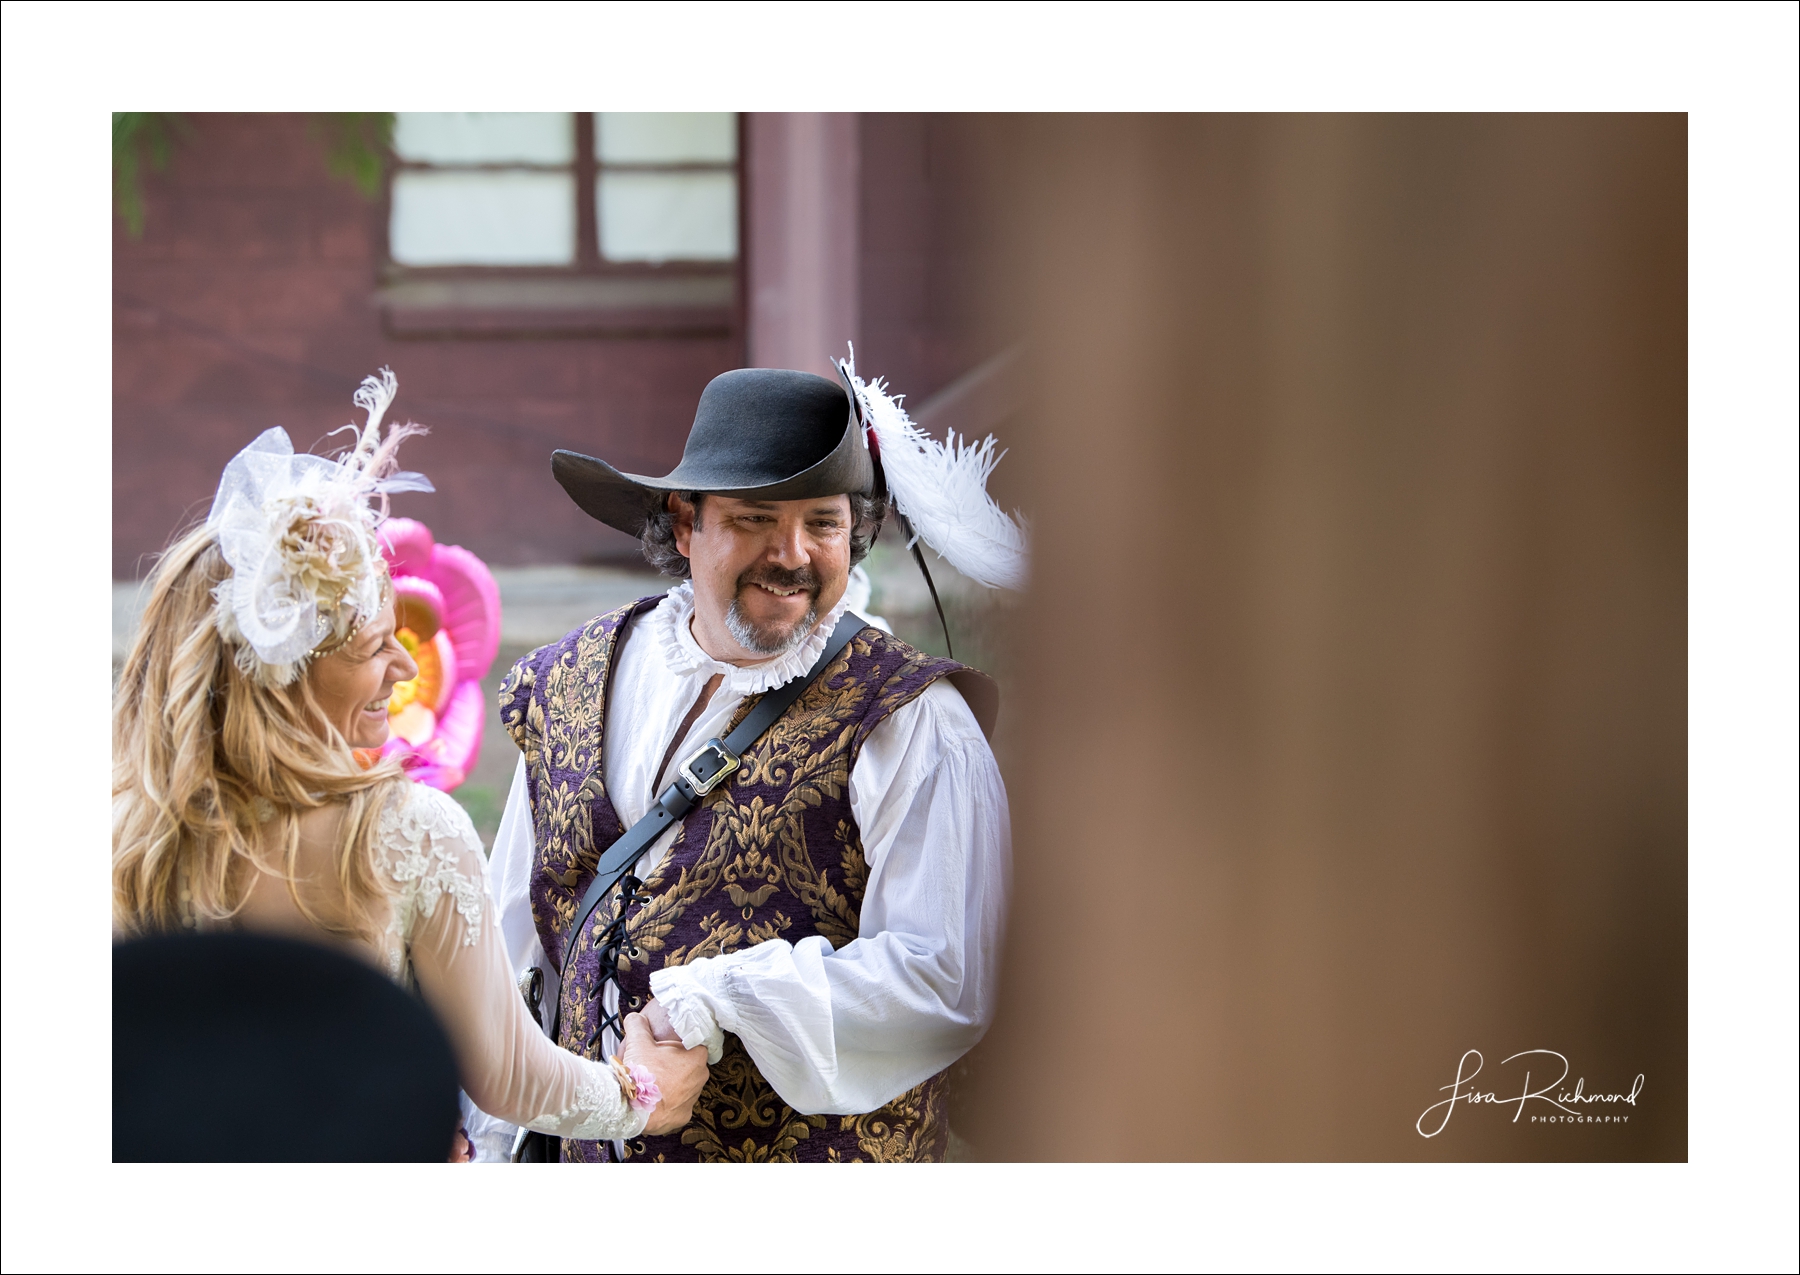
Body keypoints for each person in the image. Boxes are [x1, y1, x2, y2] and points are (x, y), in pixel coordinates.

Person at [111, 370, 710, 1158]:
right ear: (282, 673)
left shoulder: (122, 831)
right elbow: (510, 1075)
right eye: (371, 646)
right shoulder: (405, 832)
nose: (403, 666)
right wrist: (641, 1094)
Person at [468, 353, 1022, 1162]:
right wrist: (483, 1140)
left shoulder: (911, 719)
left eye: (823, 523)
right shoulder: (571, 681)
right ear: (687, 524)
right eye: (756, 519)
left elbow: (944, 977)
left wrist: (718, 999)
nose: (792, 553)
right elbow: (507, 935)